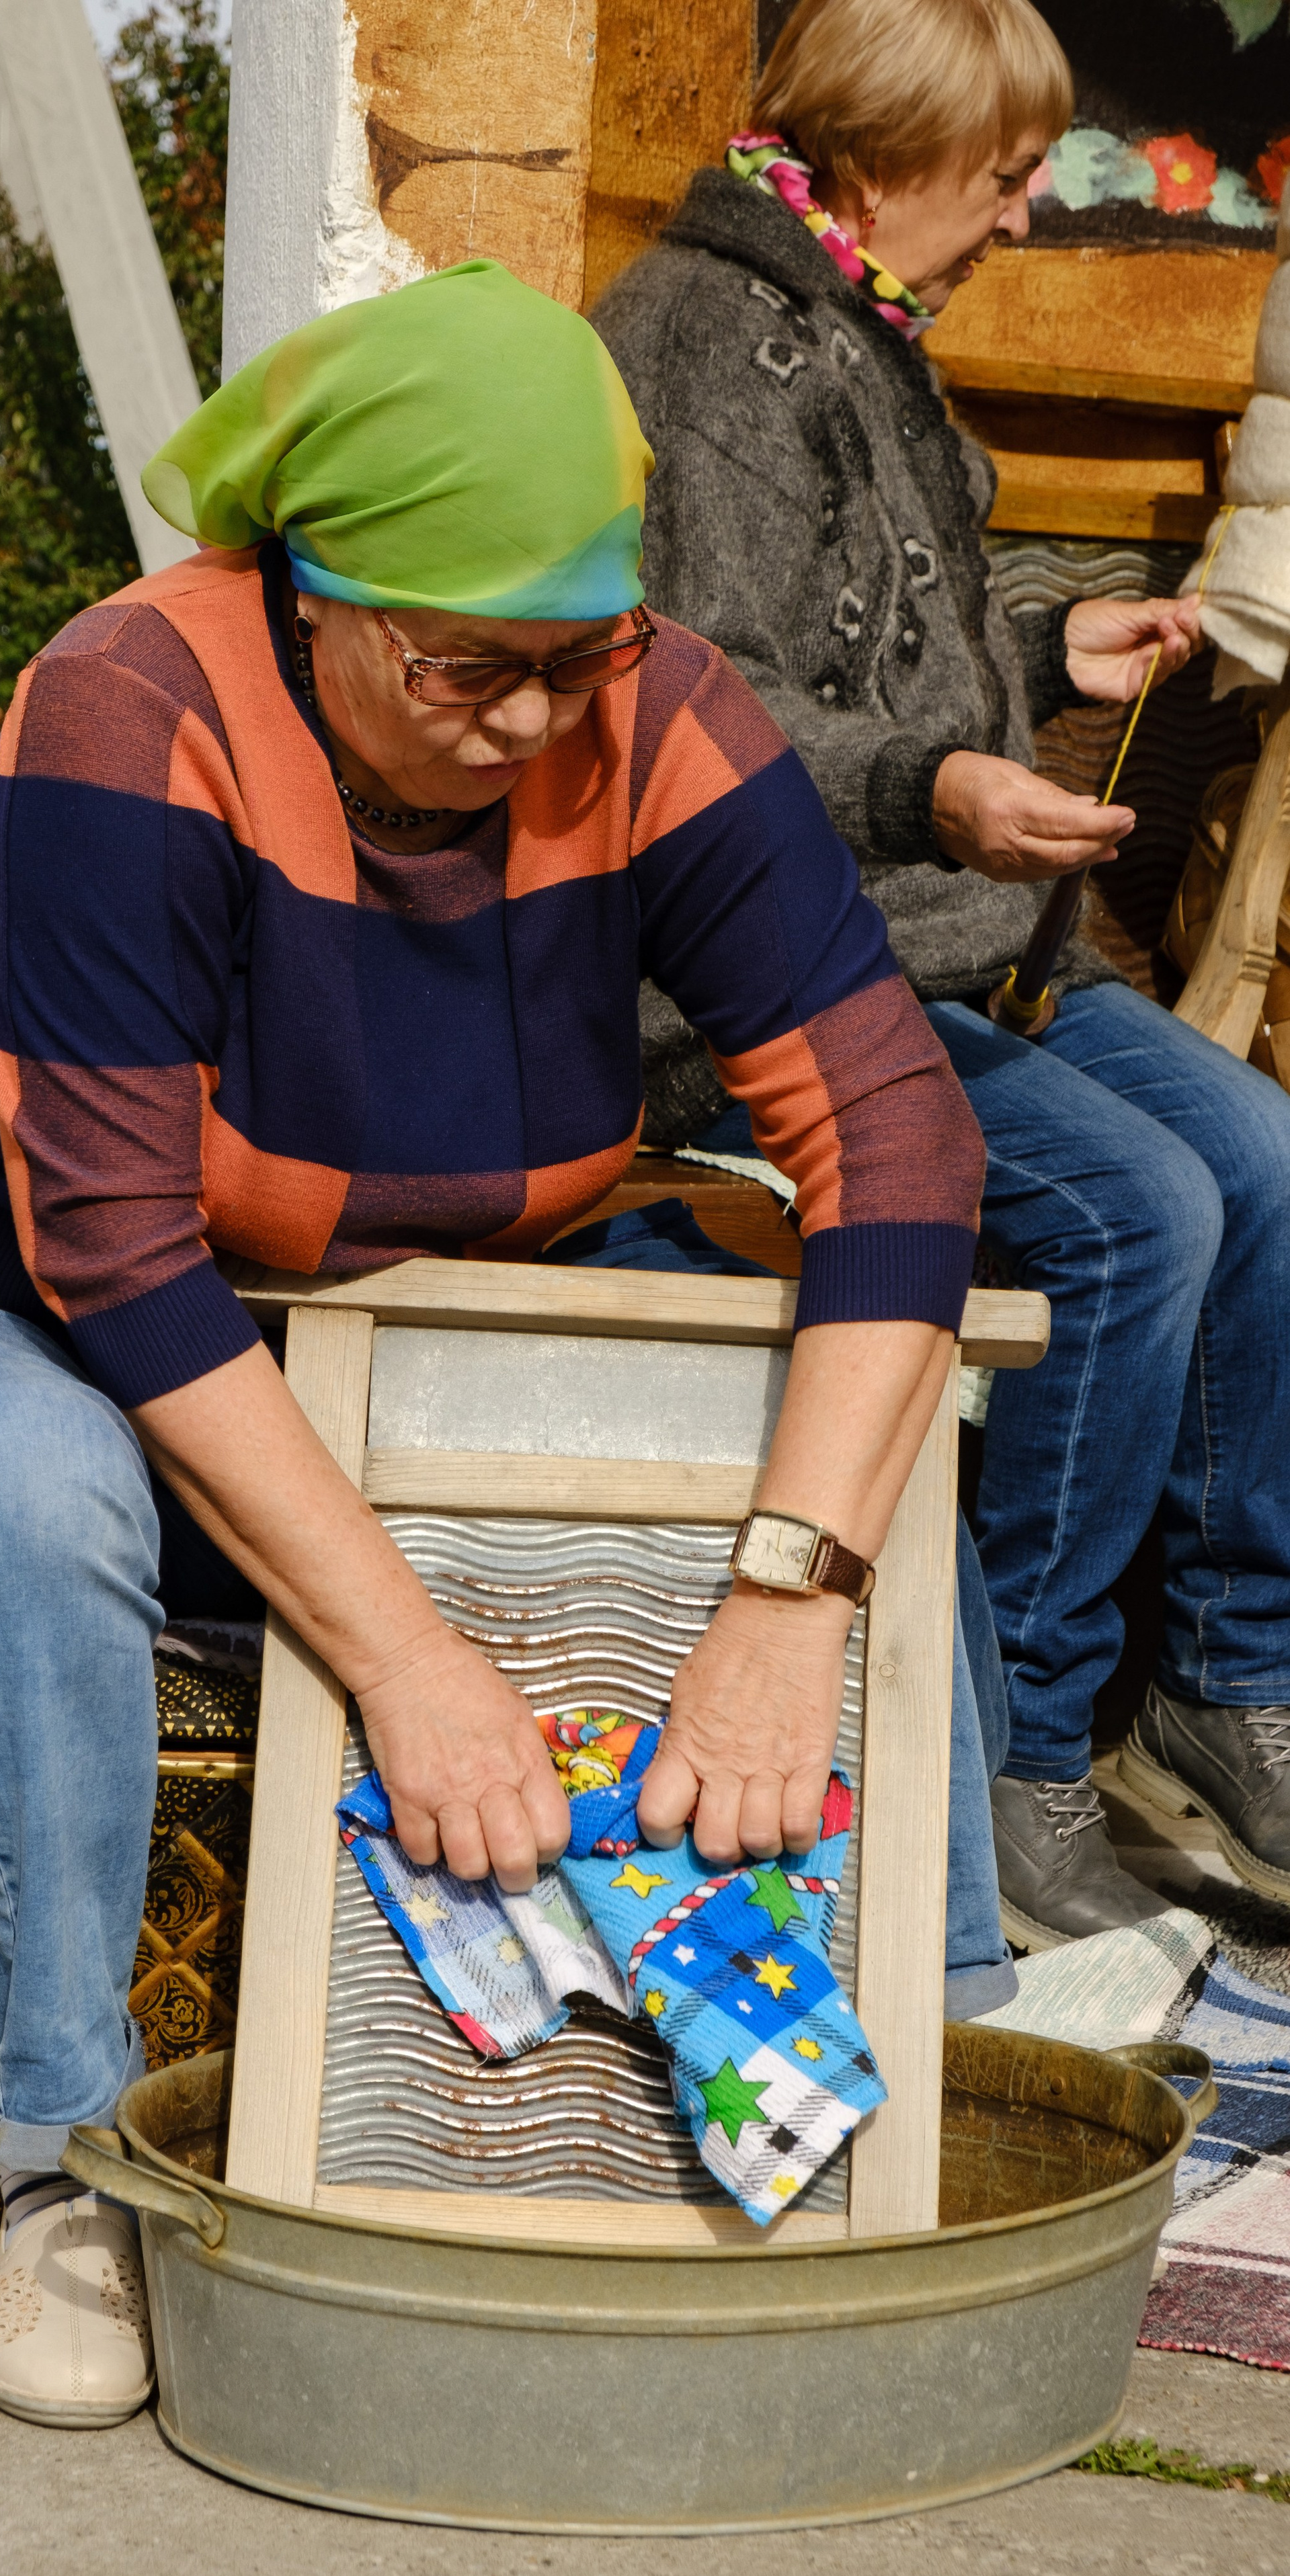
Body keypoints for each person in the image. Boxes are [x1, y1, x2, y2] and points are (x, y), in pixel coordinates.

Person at [0, 261, 993, 2432]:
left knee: (859, 1426)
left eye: (577, 656)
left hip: (371, 1371)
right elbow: (123, 1262)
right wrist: (414, 1663)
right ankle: (67, 2172)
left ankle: (952, 2080)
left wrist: (795, 1591)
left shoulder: (659, 714)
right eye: (469, 669)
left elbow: (894, 1133)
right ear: (313, 588)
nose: (532, 723)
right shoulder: (131, 716)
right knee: (34, 1493)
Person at [594, 0, 1290, 1953]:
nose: (1020, 222)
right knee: (1136, 1217)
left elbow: (882, 609)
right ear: (891, 167)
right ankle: (1025, 1749)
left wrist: (1050, 644)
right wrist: (941, 787)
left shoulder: (852, 315)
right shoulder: (709, 353)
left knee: (1265, 1158)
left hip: (956, 961)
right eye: (1001, 181)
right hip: (759, 999)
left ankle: (1224, 1686)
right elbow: (706, 705)